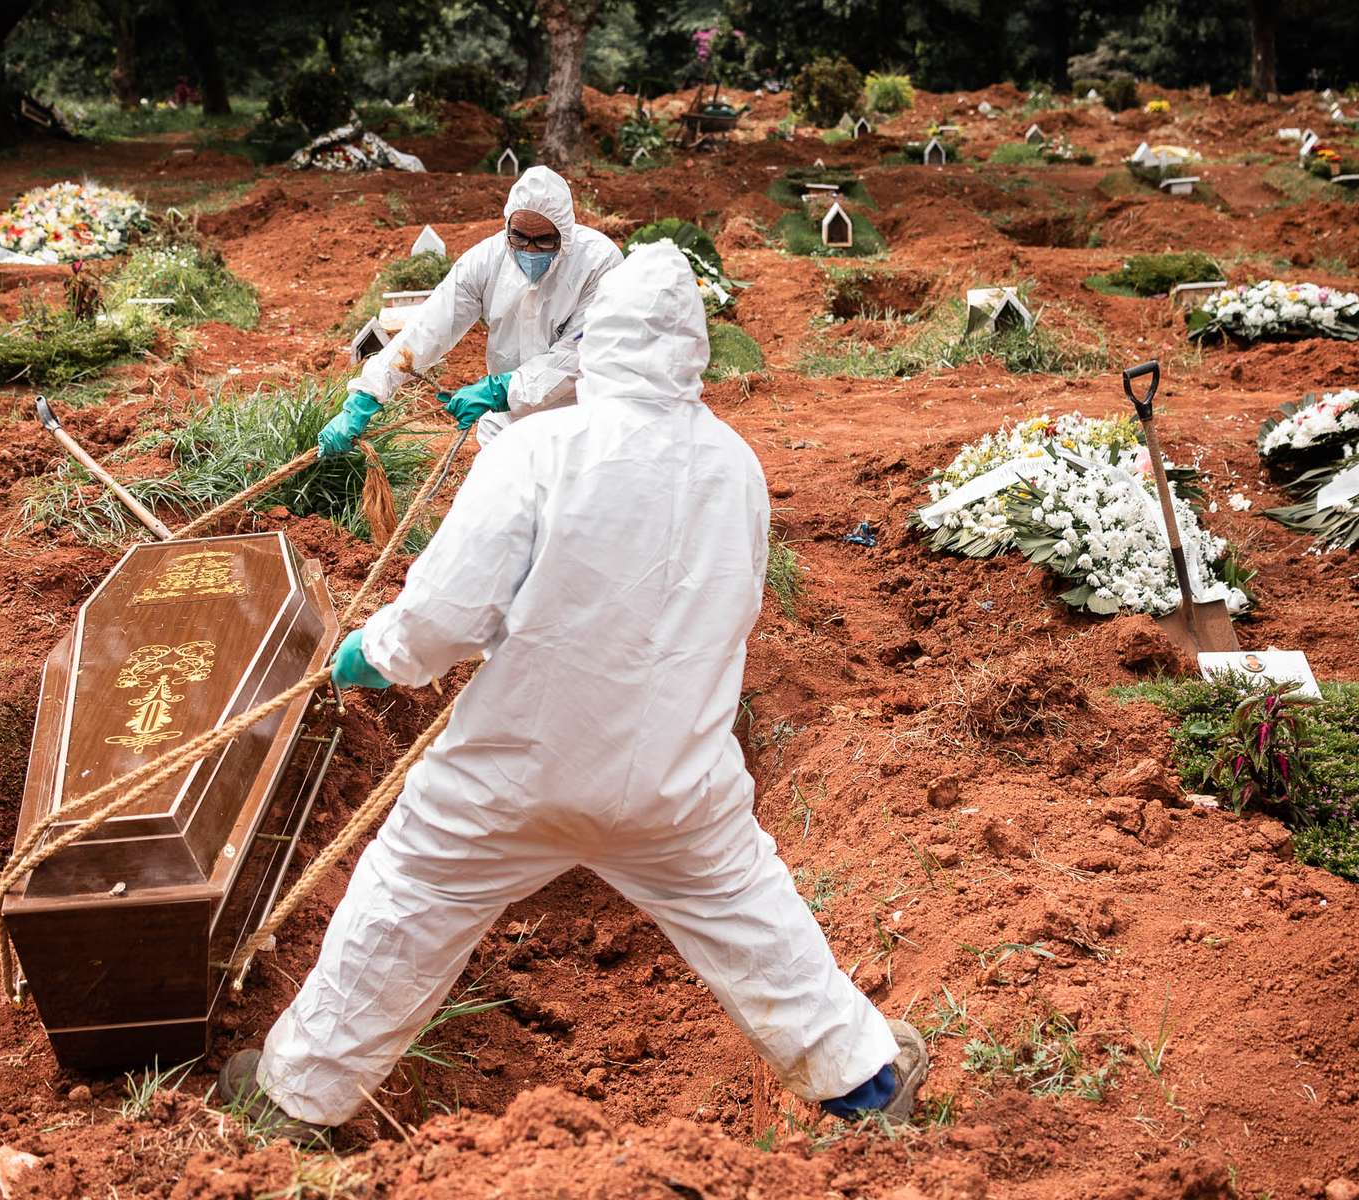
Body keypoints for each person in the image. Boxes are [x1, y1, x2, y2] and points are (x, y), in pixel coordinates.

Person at [220, 242, 926, 1139]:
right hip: (678, 780)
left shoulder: (540, 450)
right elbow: (729, 612)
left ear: (598, 341)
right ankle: (864, 1085)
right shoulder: (737, 467)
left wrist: (374, 652)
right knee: (752, 918)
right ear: (694, 350)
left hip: (513, 772)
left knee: (402, 902)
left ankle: (292, 1103)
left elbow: (443, 619)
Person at [317, 165, 623, 454]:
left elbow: (580, 354)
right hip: (509, 418)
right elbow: (429, 326)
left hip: (579, 415)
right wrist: (368, 394)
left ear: (565, 234)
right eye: (519, 237)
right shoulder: (485, 261)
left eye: (544, 241)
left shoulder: (599, 264)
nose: (529, 250)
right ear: (507, 227)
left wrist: (500, 389)